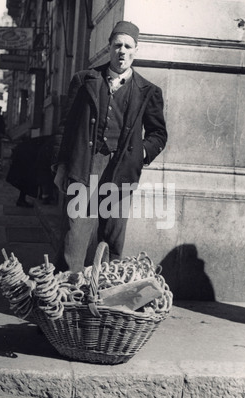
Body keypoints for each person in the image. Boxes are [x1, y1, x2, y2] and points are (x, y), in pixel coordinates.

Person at [53, 21, 168, 272]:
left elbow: (159, 134)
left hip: (121, 168)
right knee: (75, 231)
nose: (122, 51)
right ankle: (67, 292)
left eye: (128, 46)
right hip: (85, 163)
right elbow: (66, 127)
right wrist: (61, 165)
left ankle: (104, 290)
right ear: (109, 48)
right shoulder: (85, 81)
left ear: (136, 50)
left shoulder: (148, 91)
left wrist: (140, 153)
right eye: (118, 45)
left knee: (112, 234)